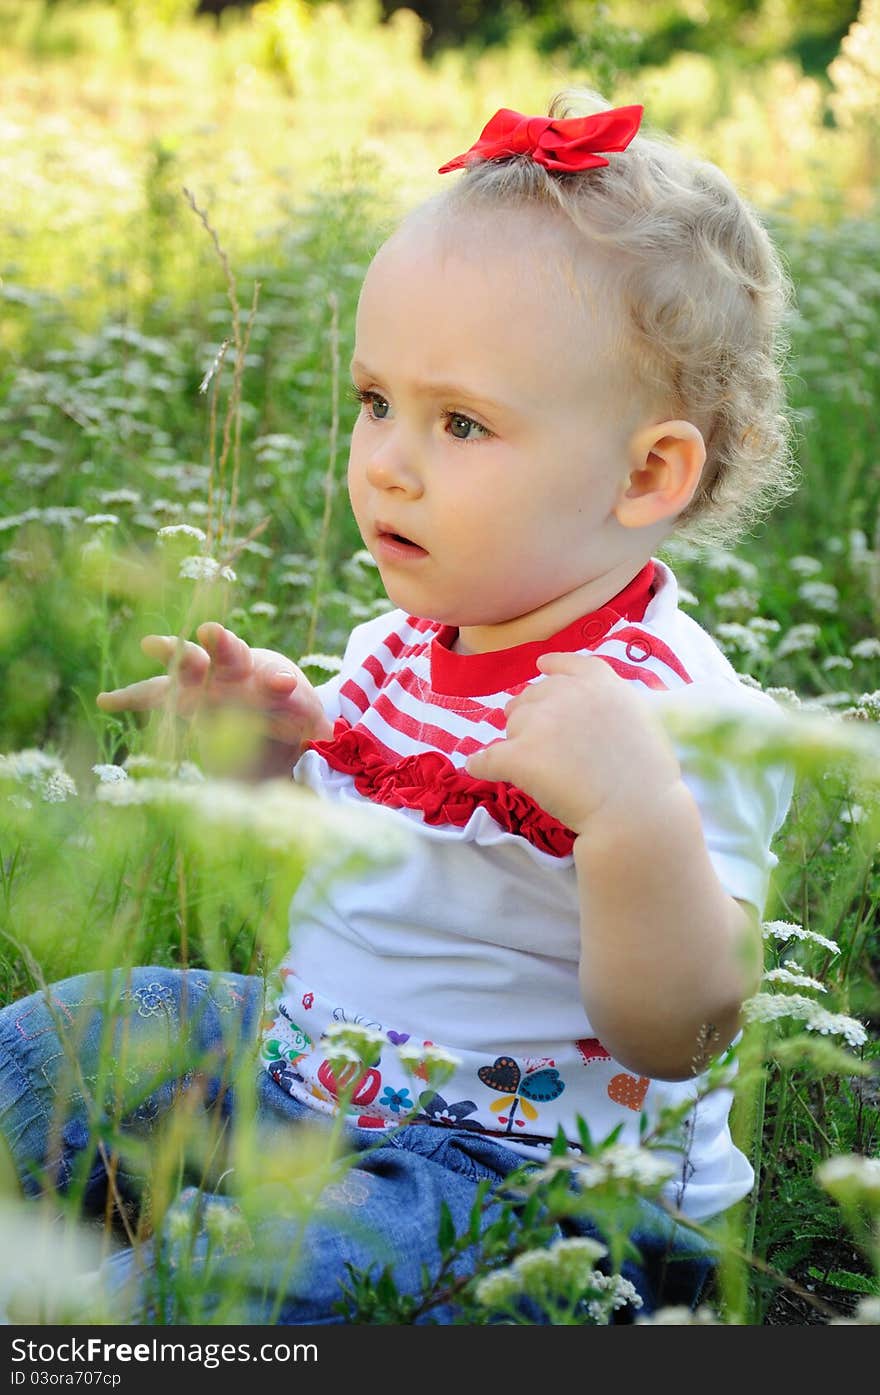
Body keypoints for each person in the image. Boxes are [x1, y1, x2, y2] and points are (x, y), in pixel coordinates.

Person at [0, 94, 795, 1325]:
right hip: (313, 1074)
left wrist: (632, 818)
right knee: (99, 1025)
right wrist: (262, 762)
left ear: (646, 473)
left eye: (460, 422)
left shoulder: (673, 715)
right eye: (376, 401)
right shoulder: (397, 648)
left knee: (268, 1275)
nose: (385, 461)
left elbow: (677, 1035)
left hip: (528, 1179)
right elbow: (351, 872)